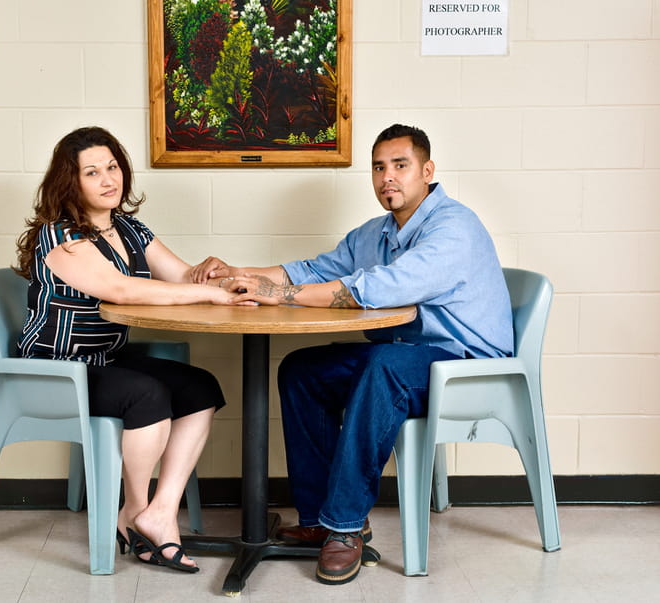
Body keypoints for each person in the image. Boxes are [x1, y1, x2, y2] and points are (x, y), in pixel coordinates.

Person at [190, 124, 513, 585]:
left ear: (427, 171)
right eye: (379, 167)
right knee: (303, 369)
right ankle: (320, 518)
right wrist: (236, 271)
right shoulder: (377, 233)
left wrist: (280, 295)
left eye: (400, 166)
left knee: (384, 369)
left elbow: (379, 289)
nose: (388, 178)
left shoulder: (453, 228)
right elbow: (316, 269)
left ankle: (344, 525)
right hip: (409, 352)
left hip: (465, 363)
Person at [14, 126, 240, 573]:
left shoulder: (129, 228)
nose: (108, 179)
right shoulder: (60, 237)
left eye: (112, 167)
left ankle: (159, 510)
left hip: (105, 360)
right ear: (71, 182)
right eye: (92, 172)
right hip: (56, 369)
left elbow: (179, 276)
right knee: (146, 395)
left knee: (200, 388)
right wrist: (209, 297)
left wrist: (216, 274)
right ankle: (135, 512)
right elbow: (122, 289)